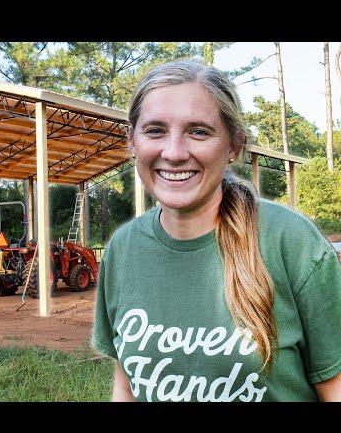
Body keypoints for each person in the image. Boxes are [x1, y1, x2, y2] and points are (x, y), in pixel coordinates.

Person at [92, 60, 341, 402]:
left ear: (234, 146)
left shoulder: (291, 242)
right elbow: (126, 383)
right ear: (132, 141)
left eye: (198, 131)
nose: (175, 153)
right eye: (154, 130)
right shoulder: (123, 249)